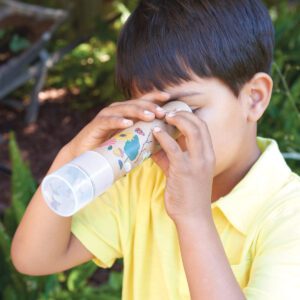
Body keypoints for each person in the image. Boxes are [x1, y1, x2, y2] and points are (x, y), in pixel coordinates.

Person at [11, 0, 300, 299]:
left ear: (253, 98)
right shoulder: (145, 182)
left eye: (186, 110)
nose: (166, 133)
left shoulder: (290, 217)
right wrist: (71, 157)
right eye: (152, 114)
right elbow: (33, 258)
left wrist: (193, 217)